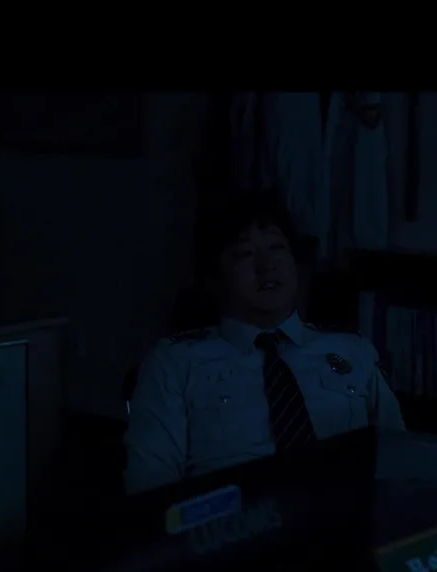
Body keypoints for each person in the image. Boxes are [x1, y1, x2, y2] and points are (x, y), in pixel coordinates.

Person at [123, 191, 404, 495]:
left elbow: (400, 457)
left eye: (276, 247)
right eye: (245, 254)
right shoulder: (175, 363)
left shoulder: (352, 350)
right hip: (232, 519)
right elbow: (151, 487)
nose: (267, 265)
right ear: (213, 278)